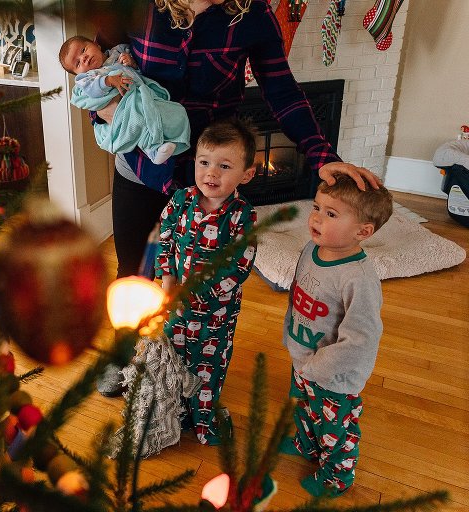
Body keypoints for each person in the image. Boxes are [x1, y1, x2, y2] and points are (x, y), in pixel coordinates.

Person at [95, 0, 382, 396]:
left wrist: (321, 154)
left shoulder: (253, 15)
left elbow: (281, 89)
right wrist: (103, 111)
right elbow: (94, 66)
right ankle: (123, 353)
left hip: (211, 174)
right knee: (133, 269)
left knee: (200, 279)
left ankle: (183, 365)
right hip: (141, 166)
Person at [279, 174, 393, 497]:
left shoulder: (358, 279)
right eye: (317, 207)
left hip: (334, 375)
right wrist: (291, 334)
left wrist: (319, 367)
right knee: (304, 408)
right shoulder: (311, 249)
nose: (316, 217)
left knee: (335, 430)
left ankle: (337, 476)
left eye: (331, 214)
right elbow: (297, 294)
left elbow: (360, 339)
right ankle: (305, 442)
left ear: (363, 231)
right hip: (303, 358)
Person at [156, 117, 257, 446]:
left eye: (224, 166)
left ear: (246, 174)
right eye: (204, 163)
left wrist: (201, 295)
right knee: (174, 360)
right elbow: (165, 240)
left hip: (215, 315)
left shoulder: (242, 215)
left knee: (207, 368)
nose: (211, 173)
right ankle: (177, 412)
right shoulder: (182, 200)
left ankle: (203, 420)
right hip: (175, 308)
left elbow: (239, 267)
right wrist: (168, 279)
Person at [59, 36, 190, 165]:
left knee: (175, 113)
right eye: (78, 63)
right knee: (138, 120)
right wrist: (108, 81)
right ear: (78, 74)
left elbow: (137, 73)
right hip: (124, 105)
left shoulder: (118, 52)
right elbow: (91, 89)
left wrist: (132, 63)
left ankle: (171, 137)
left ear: (96, 45)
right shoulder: (89, 77)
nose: (84, 58)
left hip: (138, 92)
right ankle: (151, 149)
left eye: (83, 50)